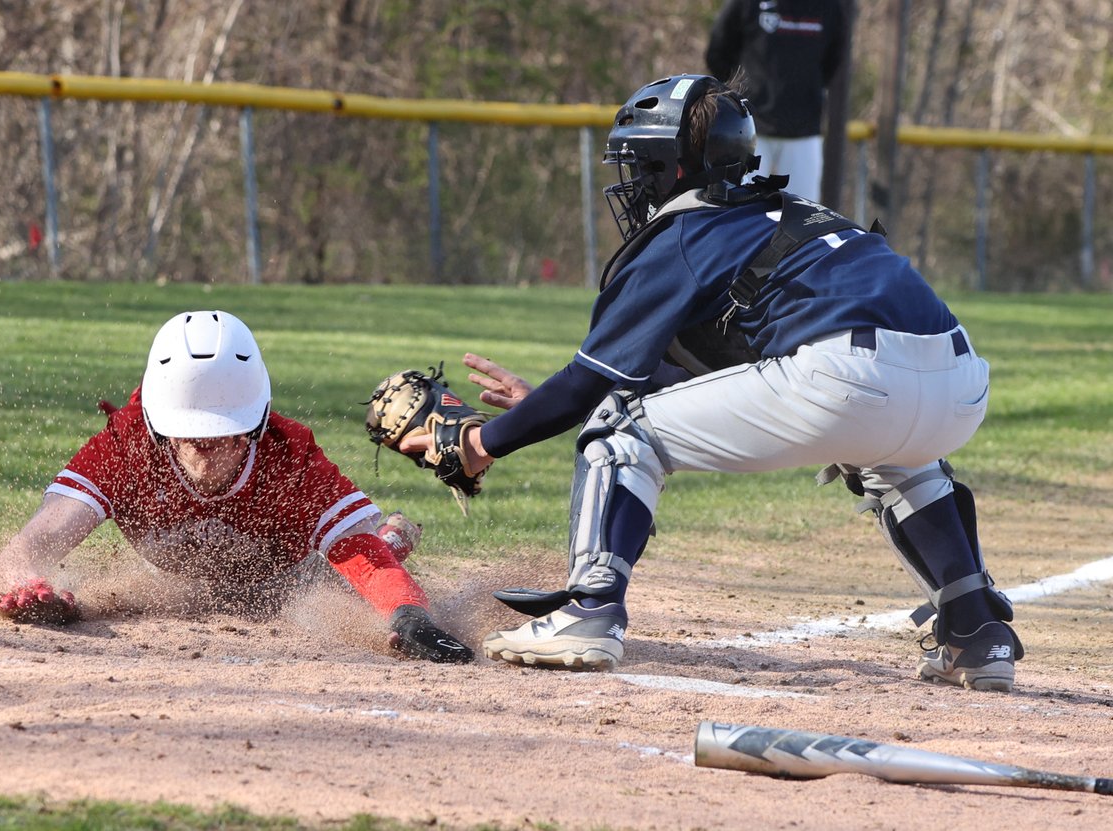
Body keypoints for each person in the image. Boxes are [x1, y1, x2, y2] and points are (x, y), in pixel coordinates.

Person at [402, 74, 1022, 691]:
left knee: (619, 429)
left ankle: (589, 611)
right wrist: (545, 403)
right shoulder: (793, 210)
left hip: (845, 380)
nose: (629, 180)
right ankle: (976, 630)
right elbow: (694, 380)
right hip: (959, 386)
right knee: (898, 455)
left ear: (668, 167)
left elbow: (594, 386)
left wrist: (481, 445)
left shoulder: (683, 233)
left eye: (637, 163)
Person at [0, 309, 473, 664]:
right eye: (190, 431)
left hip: (292, 578)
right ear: (157, 423)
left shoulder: (290, 455)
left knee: (333, 587)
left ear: (258, 420)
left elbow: (360, 557)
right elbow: (40, 538)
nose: (206, 445)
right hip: (181, 578)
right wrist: (26, 584)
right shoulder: (128, 443)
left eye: (225, 431)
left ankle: (393, 536)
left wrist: (409, 614)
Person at [705, 0, 848, 201]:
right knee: (739, 209)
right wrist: (739, 98)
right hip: (747, 129)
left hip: (803, 131)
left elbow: (832, 60)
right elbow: (718, 52)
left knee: (805, 215)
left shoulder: (829, 6)